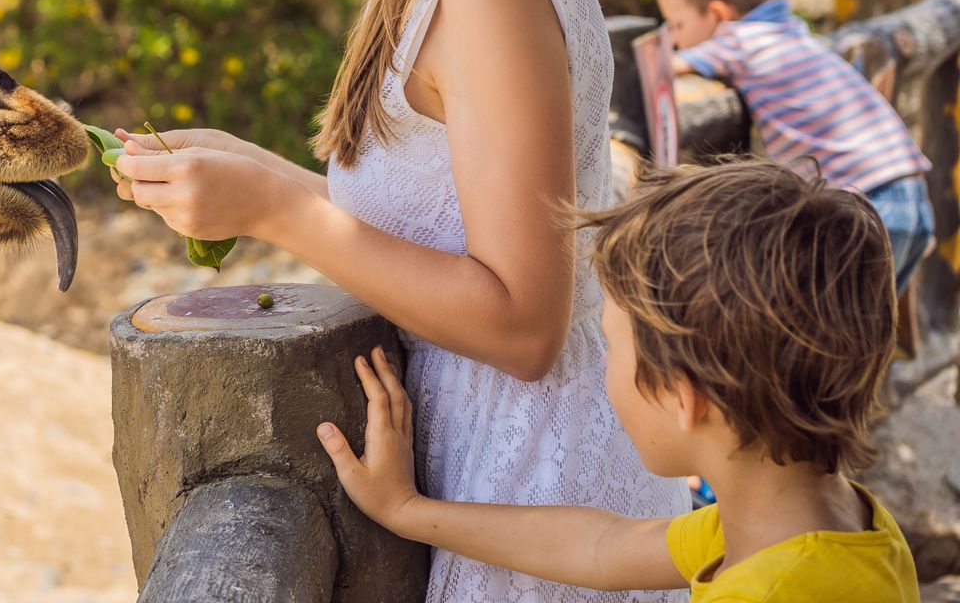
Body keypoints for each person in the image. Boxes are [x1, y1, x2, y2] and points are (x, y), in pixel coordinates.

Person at [112, 0, 684, 600]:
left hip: (524, 489)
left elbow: (522, 320)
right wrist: (255, 176)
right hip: (497, 473)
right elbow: (457, 215)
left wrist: (280, 210)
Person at [317, 159, 919, 602]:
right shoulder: (827, 525)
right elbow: (600, 548)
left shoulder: (772, 587)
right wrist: (405, 509)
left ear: (688, 398)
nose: (606, 370)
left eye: (612, 347)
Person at [655, 0, 935, 294]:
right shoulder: (790, 31)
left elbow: (666, 67)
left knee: (835, 336)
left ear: (717, 14)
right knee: (867, 334)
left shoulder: (737, 40)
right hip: (909, 192)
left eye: (677, 25)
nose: (675, 38)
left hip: (862, 203)